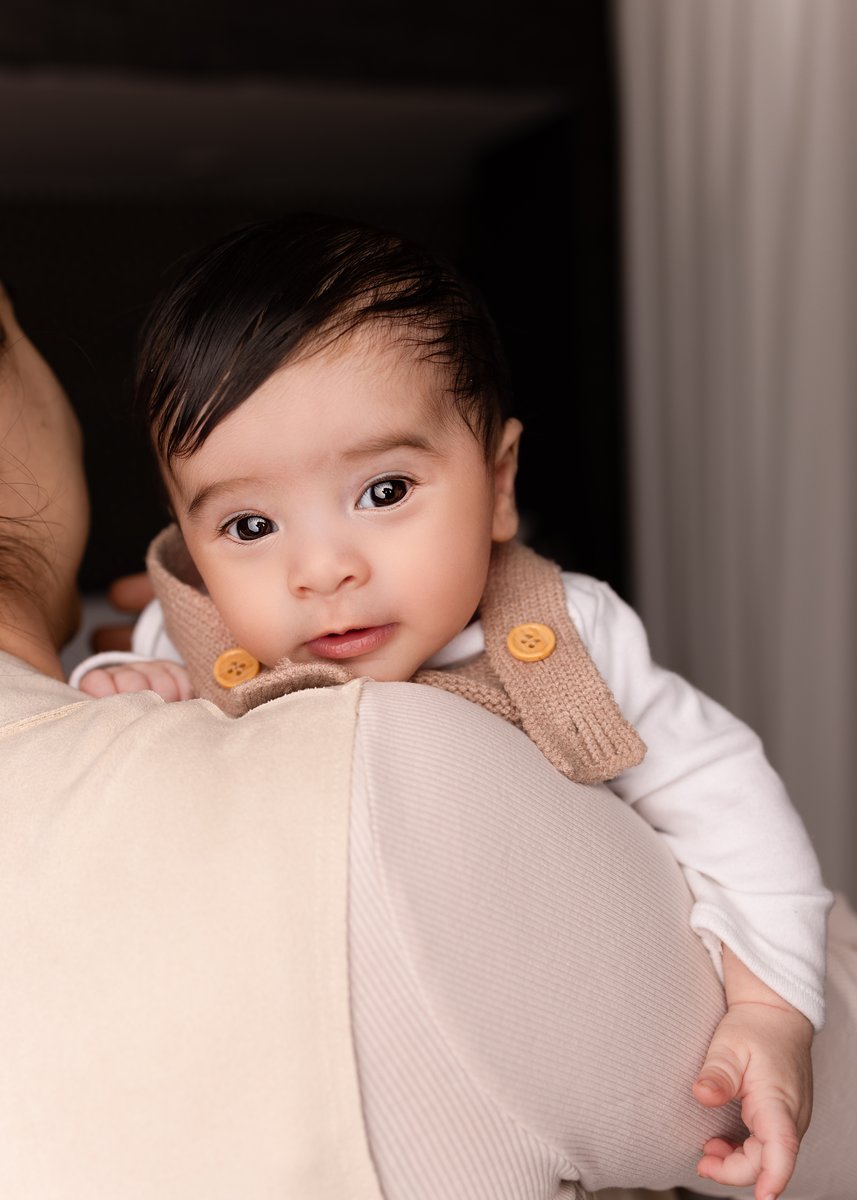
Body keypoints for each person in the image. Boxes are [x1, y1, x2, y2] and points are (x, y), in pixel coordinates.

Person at [4, 273, 857, 1200]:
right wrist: (122, 681)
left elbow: (719, 789)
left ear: (497, 485)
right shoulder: (189, 632)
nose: (323, 569)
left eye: (383, 490)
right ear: (189, 539)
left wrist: (772, 1006)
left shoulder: (568, 627)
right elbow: (133, 699)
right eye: (249, 525)